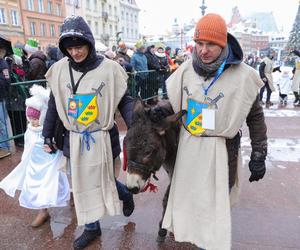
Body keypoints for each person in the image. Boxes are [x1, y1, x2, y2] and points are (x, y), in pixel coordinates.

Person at [159, 13, 267, 249]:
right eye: (199, 43)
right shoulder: (185, 71)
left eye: (210, 44)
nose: (203, 50)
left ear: (223, 43)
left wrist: (259, 153)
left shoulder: (244, 76)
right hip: (190, 146)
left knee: (215, 206)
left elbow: (255, 116)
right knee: (191, 201)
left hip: (222, 149)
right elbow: (175, 105)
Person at [42, 16, 134, 249]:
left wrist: (136, 125)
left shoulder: (110, 69)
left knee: (106, 179)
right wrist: (47, 134)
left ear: (89, 44)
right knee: (82, 183)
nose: (75, 52)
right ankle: (92, 228)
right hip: (73, 138)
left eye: (79, 46)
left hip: (101, 136)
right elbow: (54, 103)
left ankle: (124, 194)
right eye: (70, 48)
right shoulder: (59, 70)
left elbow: (124, 101)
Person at [0, 84, 70, 227]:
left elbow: (57, 144)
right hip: (35, 165)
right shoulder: (30, 130)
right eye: (30, 118)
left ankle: (72, 194)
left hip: (51, 163)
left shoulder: (49, 128)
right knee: (38, 187)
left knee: (59, 181)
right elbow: (28, 146)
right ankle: (42, 211)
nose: (33, 121)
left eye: (36, 118)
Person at [0, 35, 13, 158]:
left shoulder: (3, 63)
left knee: (2, 123)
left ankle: (4, 148)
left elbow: (6, 80)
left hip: (1, 97)